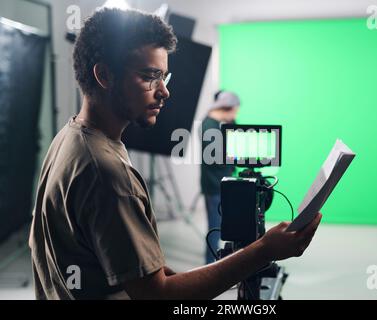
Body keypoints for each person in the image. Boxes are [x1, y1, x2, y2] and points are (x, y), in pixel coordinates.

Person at [28, 8, 322, 300]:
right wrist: (264, 251)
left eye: (164, 78)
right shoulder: (108, 174)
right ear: (104, 75)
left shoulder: (68, 139)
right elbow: (158, 297)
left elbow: (136, 274)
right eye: (149, 77)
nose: (164, 92)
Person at [200, 90, 240, 264]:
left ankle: (222, 262)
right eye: (235, 110)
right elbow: (215, 158)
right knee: (215, 229)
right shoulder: (209, 125)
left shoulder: (224, 123)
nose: (236, 115)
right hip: (214, 186)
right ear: (227, 107)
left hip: (225, 184)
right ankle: (209, 265)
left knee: (227, 226)